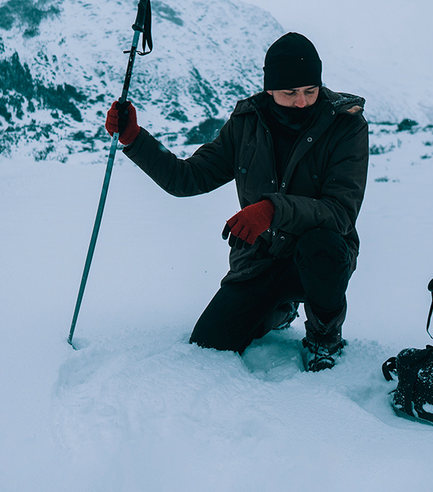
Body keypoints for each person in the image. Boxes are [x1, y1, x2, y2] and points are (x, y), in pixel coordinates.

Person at [105, 32, 369, 371]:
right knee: (211, 343)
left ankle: (324, 336)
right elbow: (188, 178)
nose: (302, 102)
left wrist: (271, 210)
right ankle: (278, 309)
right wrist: (135, 139)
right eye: (290, 93)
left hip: (319, 256)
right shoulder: (247, 124)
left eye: (310, 91)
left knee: (324, 247)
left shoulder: (345, 125)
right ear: (270, 89)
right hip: (261, 258)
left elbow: (340, 213)